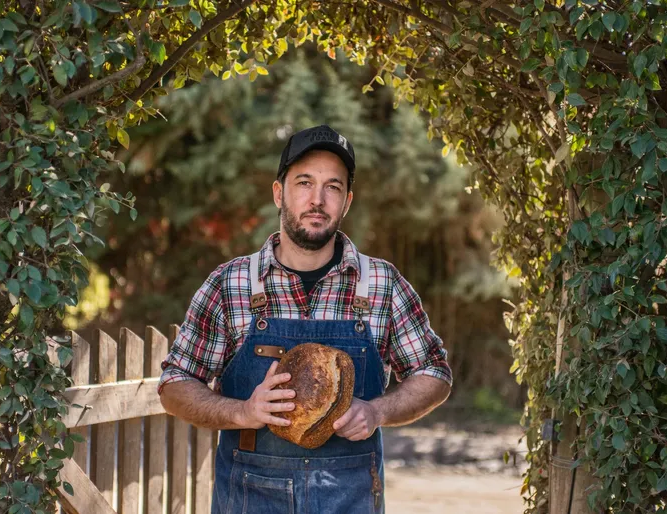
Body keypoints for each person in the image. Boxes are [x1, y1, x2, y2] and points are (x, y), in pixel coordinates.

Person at [158, 125, 452, 514]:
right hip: (251, 495)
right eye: (304, 183)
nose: (317, 199)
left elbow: (434, 372)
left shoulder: (380, 284)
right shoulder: (231, 284)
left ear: (346, 201)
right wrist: (242, 412)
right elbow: (174, 384)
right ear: (279, 192)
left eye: (332, 187)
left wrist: (377, 411)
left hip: (351, 495)